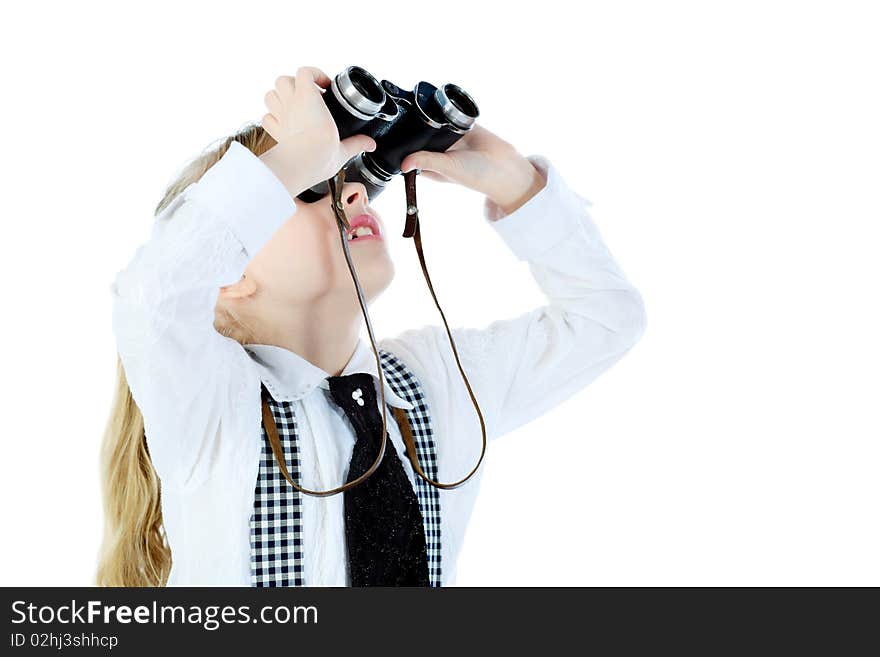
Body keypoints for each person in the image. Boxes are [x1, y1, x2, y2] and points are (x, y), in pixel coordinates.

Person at [97, 66, 648, 586]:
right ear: (228, 272)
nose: (355, 192)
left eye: (352, 180)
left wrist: (520, 186)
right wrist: (292, 157)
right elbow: (153, 295)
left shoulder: (437, 382)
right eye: (313, 189)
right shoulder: (210, 404)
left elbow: (606, 318)